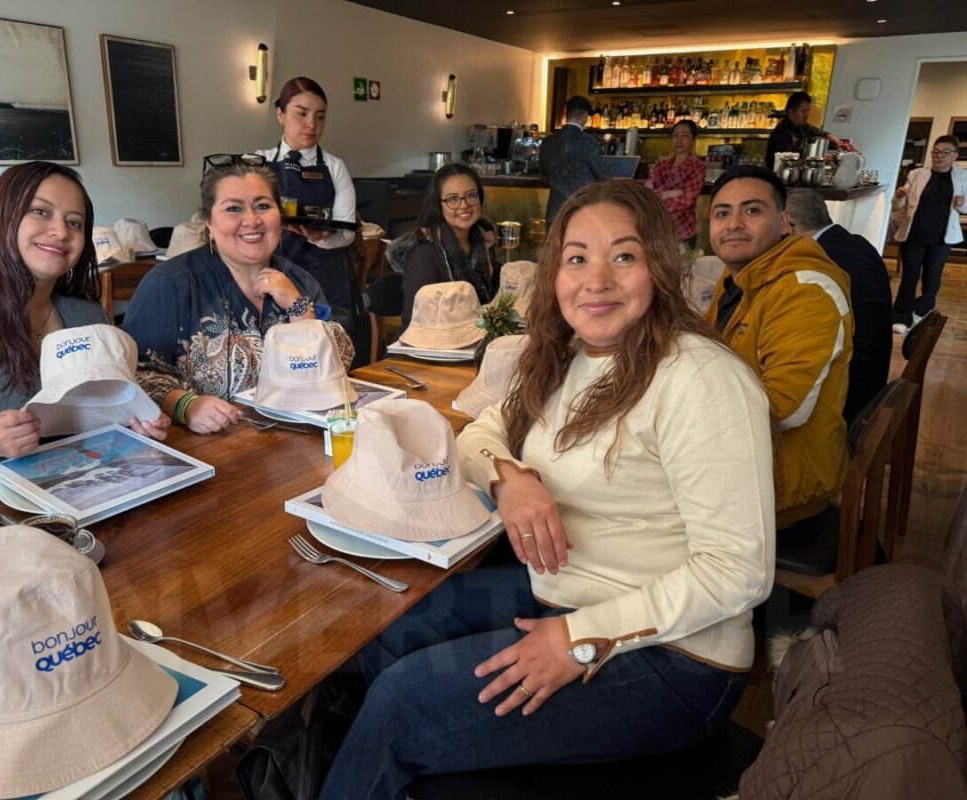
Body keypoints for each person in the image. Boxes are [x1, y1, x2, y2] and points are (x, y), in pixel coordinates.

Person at [319, 181, 775, 800]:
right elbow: (480, 433)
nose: (596, 280)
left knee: (402, 703)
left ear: (660, 266)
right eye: (577, 258)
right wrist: (511, 479)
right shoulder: (567, 358)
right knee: (392, 628)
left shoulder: (700, 377)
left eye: (624, 255)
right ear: (554, 272)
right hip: (565, 593)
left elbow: (738, 571)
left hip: (679, 656)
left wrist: (579, 638)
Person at [0, 161, 168, 485]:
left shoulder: (88, 315)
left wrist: (136, 425)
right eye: (41, 212)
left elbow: (104, 412)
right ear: (3, 217)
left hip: (86, 488)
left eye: (74, 222)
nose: (61, 231)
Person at [123, 156, 353, 434]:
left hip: (299, 440)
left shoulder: (300, 281)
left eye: (263, 206)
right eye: (233, 208)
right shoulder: (171, 283)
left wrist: (299, 308)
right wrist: (185, 405)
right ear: (209, 222)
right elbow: (134, 373)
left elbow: (338, 364)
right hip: (212, 445)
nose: (252, 220)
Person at [705, 165, 853, 530]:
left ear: (785, 222)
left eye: (752, 210)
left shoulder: (805, 290)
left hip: (777, 489)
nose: (734, 224)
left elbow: (784, 411)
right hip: (740, 468)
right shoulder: (740, 277)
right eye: (722, 213)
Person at [783, 188, 892, 425]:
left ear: (789, 224)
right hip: (873, 377)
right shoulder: (857, 244)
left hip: (848, 401)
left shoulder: (818, 263)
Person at [255, 77, 357, 325]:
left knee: (323, 341)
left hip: (325, 276)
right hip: (270, 274)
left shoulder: (335, 166)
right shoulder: (258, 162)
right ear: (280, 114)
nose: (312, 124)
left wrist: (320, 237)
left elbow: (347, 232)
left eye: (320, 117)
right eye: (301, 114)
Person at [388, 163, 499, 329]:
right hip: (427, 339)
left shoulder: (484, 241)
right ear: (438, 205)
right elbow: (419, 320)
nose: (464, 205)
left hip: (475, 333)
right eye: (452, 199)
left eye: (470, 195)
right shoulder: (423, 255)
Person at [890, 134, 967, 333]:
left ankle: (922, 309)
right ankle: (901, 316)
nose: (939, 156)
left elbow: (965, 208)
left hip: (941, 238)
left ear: (955, 155)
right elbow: (898, 206)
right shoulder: (917, 174)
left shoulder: (962, 177)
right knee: (909, 277)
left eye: (945, 153)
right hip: (914, 234)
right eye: (936, 152)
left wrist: (961, 203)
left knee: (932, 278)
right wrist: (899, 197)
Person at [539, 95, 617, 223]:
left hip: (554, 214)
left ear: (567, 114)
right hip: (581, 214)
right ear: (585, 116)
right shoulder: (588, 142)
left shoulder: (547, 142)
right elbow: (605, 177)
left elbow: (543, 177)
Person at [644, 119, 706, 249]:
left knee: (683, 262)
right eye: (675, 135)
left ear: (693, 140)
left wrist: (656, 202)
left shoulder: (698, 167)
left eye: (685, 135)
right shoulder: (661, 165)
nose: (679, 140)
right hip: (657, 231)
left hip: (683, 231)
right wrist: (668, 193)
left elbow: (686, 200)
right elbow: (647, 193)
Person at [764, 91, 840, 169]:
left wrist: (830, 136)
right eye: (803, 111)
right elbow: (789, 161)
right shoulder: (780, 133)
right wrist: (817, 159)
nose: (807, 115)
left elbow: (816, 132)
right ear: (790, 112)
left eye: (808, 110)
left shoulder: (802, 126)